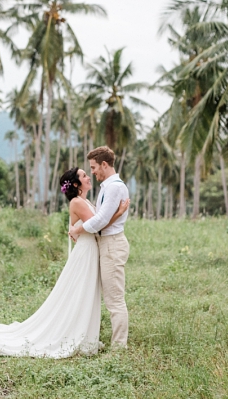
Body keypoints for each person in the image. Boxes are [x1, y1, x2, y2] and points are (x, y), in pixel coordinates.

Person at [0, 167, 128, 358]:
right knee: (80, 292)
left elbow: (95, 222)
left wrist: (77, 229)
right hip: (86, 252)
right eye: (83, 175)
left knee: (86, 292)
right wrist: (119, 213)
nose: (88, 177)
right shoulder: (77, 202)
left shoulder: (84, 201)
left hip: (90, 249)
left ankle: (84, 334)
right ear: (76, 184)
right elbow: (98, 225)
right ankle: (74, 334)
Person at [68, 146, 131, 349]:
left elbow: (101, 220)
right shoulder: (107, 186)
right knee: (110, 298)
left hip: (112, 245)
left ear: (104, 164)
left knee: (114, 300)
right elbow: (102, 220)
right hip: (106, 244)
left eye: (94, 167)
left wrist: (77, 230)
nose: (92, 172)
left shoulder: (113, 187)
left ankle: (119, 346)